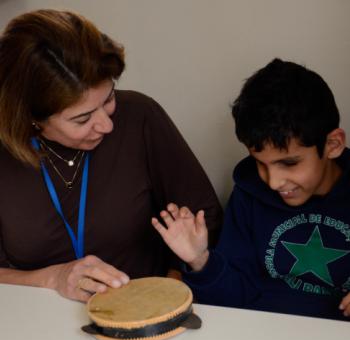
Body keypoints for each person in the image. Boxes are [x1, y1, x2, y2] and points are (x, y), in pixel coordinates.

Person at [0, 9, 223, 302]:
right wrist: (53, 278)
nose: (107, 125)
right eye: (82, 119)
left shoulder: (140, 117)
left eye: (109, 99)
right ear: (32, 119)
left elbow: (206, 219)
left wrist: (169, 291)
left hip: (149, 314)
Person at [152, 58, 350, 321]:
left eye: (289, 163)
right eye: (261, 164)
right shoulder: (249, 194)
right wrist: (200, 261)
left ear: (333, 144)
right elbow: (233, 298)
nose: (273, 182)